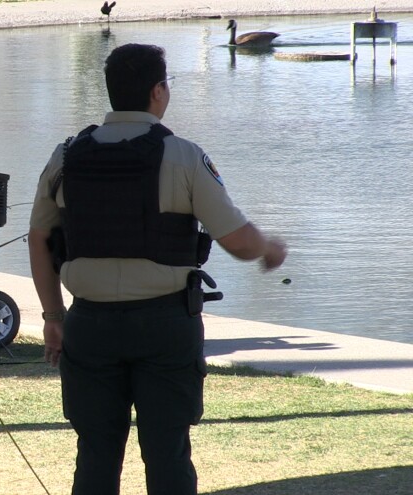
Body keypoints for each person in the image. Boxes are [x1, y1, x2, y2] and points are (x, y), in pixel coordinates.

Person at [27, 43, 287, 495]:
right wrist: (269, 249)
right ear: (158, 92)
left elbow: (39, 239)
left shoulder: (66, 156)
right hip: (165, 326)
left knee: (95, 453)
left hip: (89, 325)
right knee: (167, 454)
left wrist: (53, 317)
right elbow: (238, 241)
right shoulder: (184, 156)